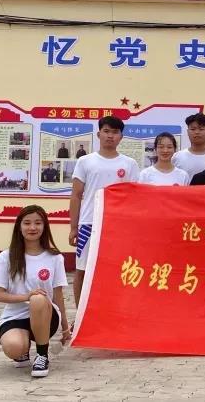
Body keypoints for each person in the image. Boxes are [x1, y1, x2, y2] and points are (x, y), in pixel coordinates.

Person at [0, 205, 70, 378]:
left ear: (45, 226)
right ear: (19, 226)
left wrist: (65, 328)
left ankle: (42, 355)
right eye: (27, 223)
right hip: (16, 316)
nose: (32, 227)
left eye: (38, 223)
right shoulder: (6, 257)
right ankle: (22, 350)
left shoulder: (55, 258)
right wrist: (26, 296)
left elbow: (58, 295)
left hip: (46, 315)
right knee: (14, 348)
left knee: (38, 298)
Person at [69, 116, 140, 306]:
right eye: (106, 131)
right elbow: (76, 195)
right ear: (99, 134)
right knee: (82, 270)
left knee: (116, 270)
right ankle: (80, 315)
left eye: (115, 132)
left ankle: (112, 311)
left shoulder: (130, 164)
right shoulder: (85, 161)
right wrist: (73, 227)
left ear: (121, 137)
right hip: (89, 224)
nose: (110, 136)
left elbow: (134, 198)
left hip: (118, 226)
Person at [172, 113, 205, 180]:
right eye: (193, 129)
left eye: (201, 129)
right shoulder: (177, 157)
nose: (197, 132)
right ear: (187, 132)